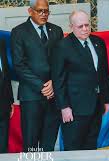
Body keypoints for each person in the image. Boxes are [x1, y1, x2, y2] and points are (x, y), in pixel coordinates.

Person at [51, 10, 109, 150]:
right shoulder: (62, 46)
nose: (85, 29)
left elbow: (104, 74)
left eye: (87, 25)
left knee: (91, 147)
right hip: (74, 109)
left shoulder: (99, 42)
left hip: (96, 106)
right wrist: (64, 107)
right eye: (80, 26)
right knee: (73, 149)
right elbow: (58, 79)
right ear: (71, 27)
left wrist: (107, 100)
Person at [10, 0, 63, 152]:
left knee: (49, 144)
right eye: (40, 11)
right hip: (31, 96)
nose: (44, 14)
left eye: (46, 11)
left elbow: (61, 62)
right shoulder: (18, 32)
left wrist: (53, 82)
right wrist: (42, 86)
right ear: (30, 11)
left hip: (53, 96)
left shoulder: (57, 31)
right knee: (31, 144)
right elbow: (19, 65)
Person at [0, 39, 14, 153]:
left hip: (4, 105)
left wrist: (10, 101)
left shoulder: (1, 42)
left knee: (3, 150)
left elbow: (6, 73)